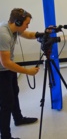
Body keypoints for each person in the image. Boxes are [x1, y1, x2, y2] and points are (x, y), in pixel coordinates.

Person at [0, 8, 41, 139]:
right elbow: (5, 63)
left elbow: (28, 35)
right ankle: (5, 136)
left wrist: (43, 33)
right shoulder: (3, 34)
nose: (27, 26)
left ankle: (18, 119)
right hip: (1, 70)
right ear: (17, 22)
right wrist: (27, 71)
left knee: (14, 92)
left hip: (7, 68)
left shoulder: (13, 29)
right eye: (26, 24)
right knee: (6, 102)